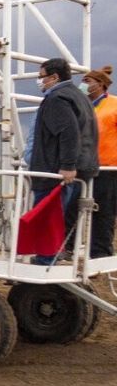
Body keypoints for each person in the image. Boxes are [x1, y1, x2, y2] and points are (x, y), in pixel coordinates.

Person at [29, 57, 99, 263]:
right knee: (60, 217)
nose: (39, 81)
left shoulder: (57, 98)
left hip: (56, 171)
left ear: (54, 77)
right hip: (83, 167)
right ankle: (51, 255)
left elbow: (68, 132)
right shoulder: (80, 96)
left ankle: (45, 260)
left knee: (48, 217)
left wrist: (68, 165)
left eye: (41, 77)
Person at [82, 65, 117, 257]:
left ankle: (101, 252)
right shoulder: (83, 105)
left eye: (87, 82)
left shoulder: (114, 104)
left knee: (103, 212)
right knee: (76, 209)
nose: (83, 85)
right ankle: (72, 247)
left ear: (100, 84)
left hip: (108, 168)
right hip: (84, 166)